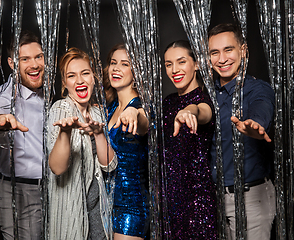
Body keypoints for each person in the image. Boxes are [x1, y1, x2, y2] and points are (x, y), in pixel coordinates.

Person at [208, 23, 276, 240]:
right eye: (214, 53)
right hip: (215, 200)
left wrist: (255, 124)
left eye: (228, 50)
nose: (222, 59)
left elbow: (262, 107)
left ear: (243, 51)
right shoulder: (208, 94)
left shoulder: (257, 89)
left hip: (252, 198)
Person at [0, 30, 44, 239]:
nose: (34, 65)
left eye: (38, 57)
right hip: (16, 190)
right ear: (11, 63)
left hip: (53, 189)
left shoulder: (53, 92)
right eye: (24, 59)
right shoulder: (4, 94)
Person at [47, 47, 117, 240]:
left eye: (85, 73)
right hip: (71, 215)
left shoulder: (97, 113)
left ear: (93, 77)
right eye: (72, 76)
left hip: (98, 212)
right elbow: (57, 168)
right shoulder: (61, 109)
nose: (79, 80)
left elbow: (110, 167)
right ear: (64, 84)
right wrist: (65, 133)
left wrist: (99, 134)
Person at [162, 40, 217, 239]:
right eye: (169, 64)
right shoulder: (168, 102)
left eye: (181, 62)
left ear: (197, 64)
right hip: (171, 200)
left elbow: (203, 112)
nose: (174, 69)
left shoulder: (205, 100)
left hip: (198, 202)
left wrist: (188, 111)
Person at [103, 43, 150, 240]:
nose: (116, 68)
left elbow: (143, 122)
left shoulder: (142, 106)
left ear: (136, 72)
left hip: (131, 206)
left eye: (124, 64)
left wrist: (134, 112)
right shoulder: (111, 106)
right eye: (114, 63)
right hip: (106, 204)